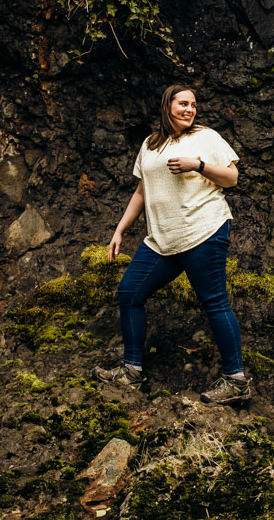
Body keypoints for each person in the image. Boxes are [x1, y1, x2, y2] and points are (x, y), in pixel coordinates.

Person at [105, 84, 249, 403]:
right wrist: (119, 230)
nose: (190, 109)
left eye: (194, 105)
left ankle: (236, 382)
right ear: (167, 105)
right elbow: (142, 192)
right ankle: (131, 372)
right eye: (183, 103)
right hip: (163, 240)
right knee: (129, 292)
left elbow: (231, 178)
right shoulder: (150, 144)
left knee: (214, 300)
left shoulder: (205, 138)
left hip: (203, 229)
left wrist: (197, 165)